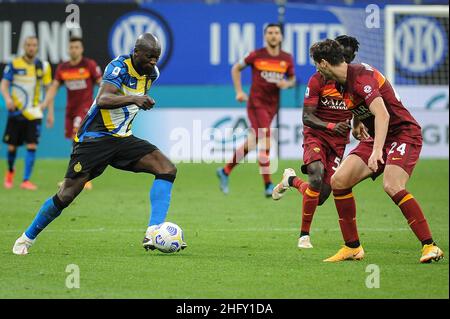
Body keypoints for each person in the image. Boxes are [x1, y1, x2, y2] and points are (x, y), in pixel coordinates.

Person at [12, 33, 186, 255]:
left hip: (123, 138)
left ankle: (153, 231)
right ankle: (26, 238)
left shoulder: (152, 73)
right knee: (67, 194)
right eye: (150, 56)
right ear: (136, 53)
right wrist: (135, 99)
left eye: (157, 57)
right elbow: (103, 99)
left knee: (166, 168)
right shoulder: (118, 67)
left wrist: (136, 102)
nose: (153, 61)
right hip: (94, 139)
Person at [309, 39, 443, 263]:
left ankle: (430, 246)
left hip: (402, 134)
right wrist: (356, 123)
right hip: (378, 136)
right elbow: (361, 108)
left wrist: (377, 151)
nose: (316, 70)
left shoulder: (361, 77)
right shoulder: (342, 82)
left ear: (323, 63)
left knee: (392, 185)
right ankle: (352, 247)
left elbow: (383, 115)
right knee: (339, 181)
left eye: (316, 65)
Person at [272, 35, 368, 249]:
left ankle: (291, 181)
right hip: (317, 134)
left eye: (348, 57)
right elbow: (307, 117)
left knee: (321, 195)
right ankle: (304, 236)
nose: (344, 60)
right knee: (315, 176)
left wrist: (355, 124)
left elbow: (360, 102)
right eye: (341, 55)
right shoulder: (318, 79)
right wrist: (332, 126)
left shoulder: (355, 80)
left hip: (339, 142)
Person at [216, 23, 296, 197]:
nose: (273, 35)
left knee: (252, 142)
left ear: (281, 37)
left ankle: (225, 170)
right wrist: (238, 91)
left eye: (276, 33)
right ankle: (268, 184)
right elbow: (236, 68)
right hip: (256, 104)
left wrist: (287, 84)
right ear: (265, 36)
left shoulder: (287, 58)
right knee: (266, 137)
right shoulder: (256, 55)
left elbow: (292, 78)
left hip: (272, 106)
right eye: (270, 33)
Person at [41, 36, 103, 190]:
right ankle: (83, 177)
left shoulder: (89, 65)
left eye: (76, 47)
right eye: (71, 47)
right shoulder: (63, 68)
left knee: (77, 141)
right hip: (71, 110)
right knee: (76, 143)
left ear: (81, 49)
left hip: (85, 110)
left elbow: (102, 84)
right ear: (68, 50)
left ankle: (77, 178)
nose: (74, 50)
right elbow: (54, 87)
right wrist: (45, 104)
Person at [1, 36, 54, 190]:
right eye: (29, 45)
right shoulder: (14, 64)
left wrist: (49, 111)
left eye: (34, 45)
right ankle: (10, 171)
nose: (31, 47)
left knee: (32, 145)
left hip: (35, 112)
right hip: (16, 111)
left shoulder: (43, 66)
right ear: (24, 47)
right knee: (12, 147)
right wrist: (7, 99)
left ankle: (26, 180)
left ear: (37, 47)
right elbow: (4, 85)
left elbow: (48, 89)